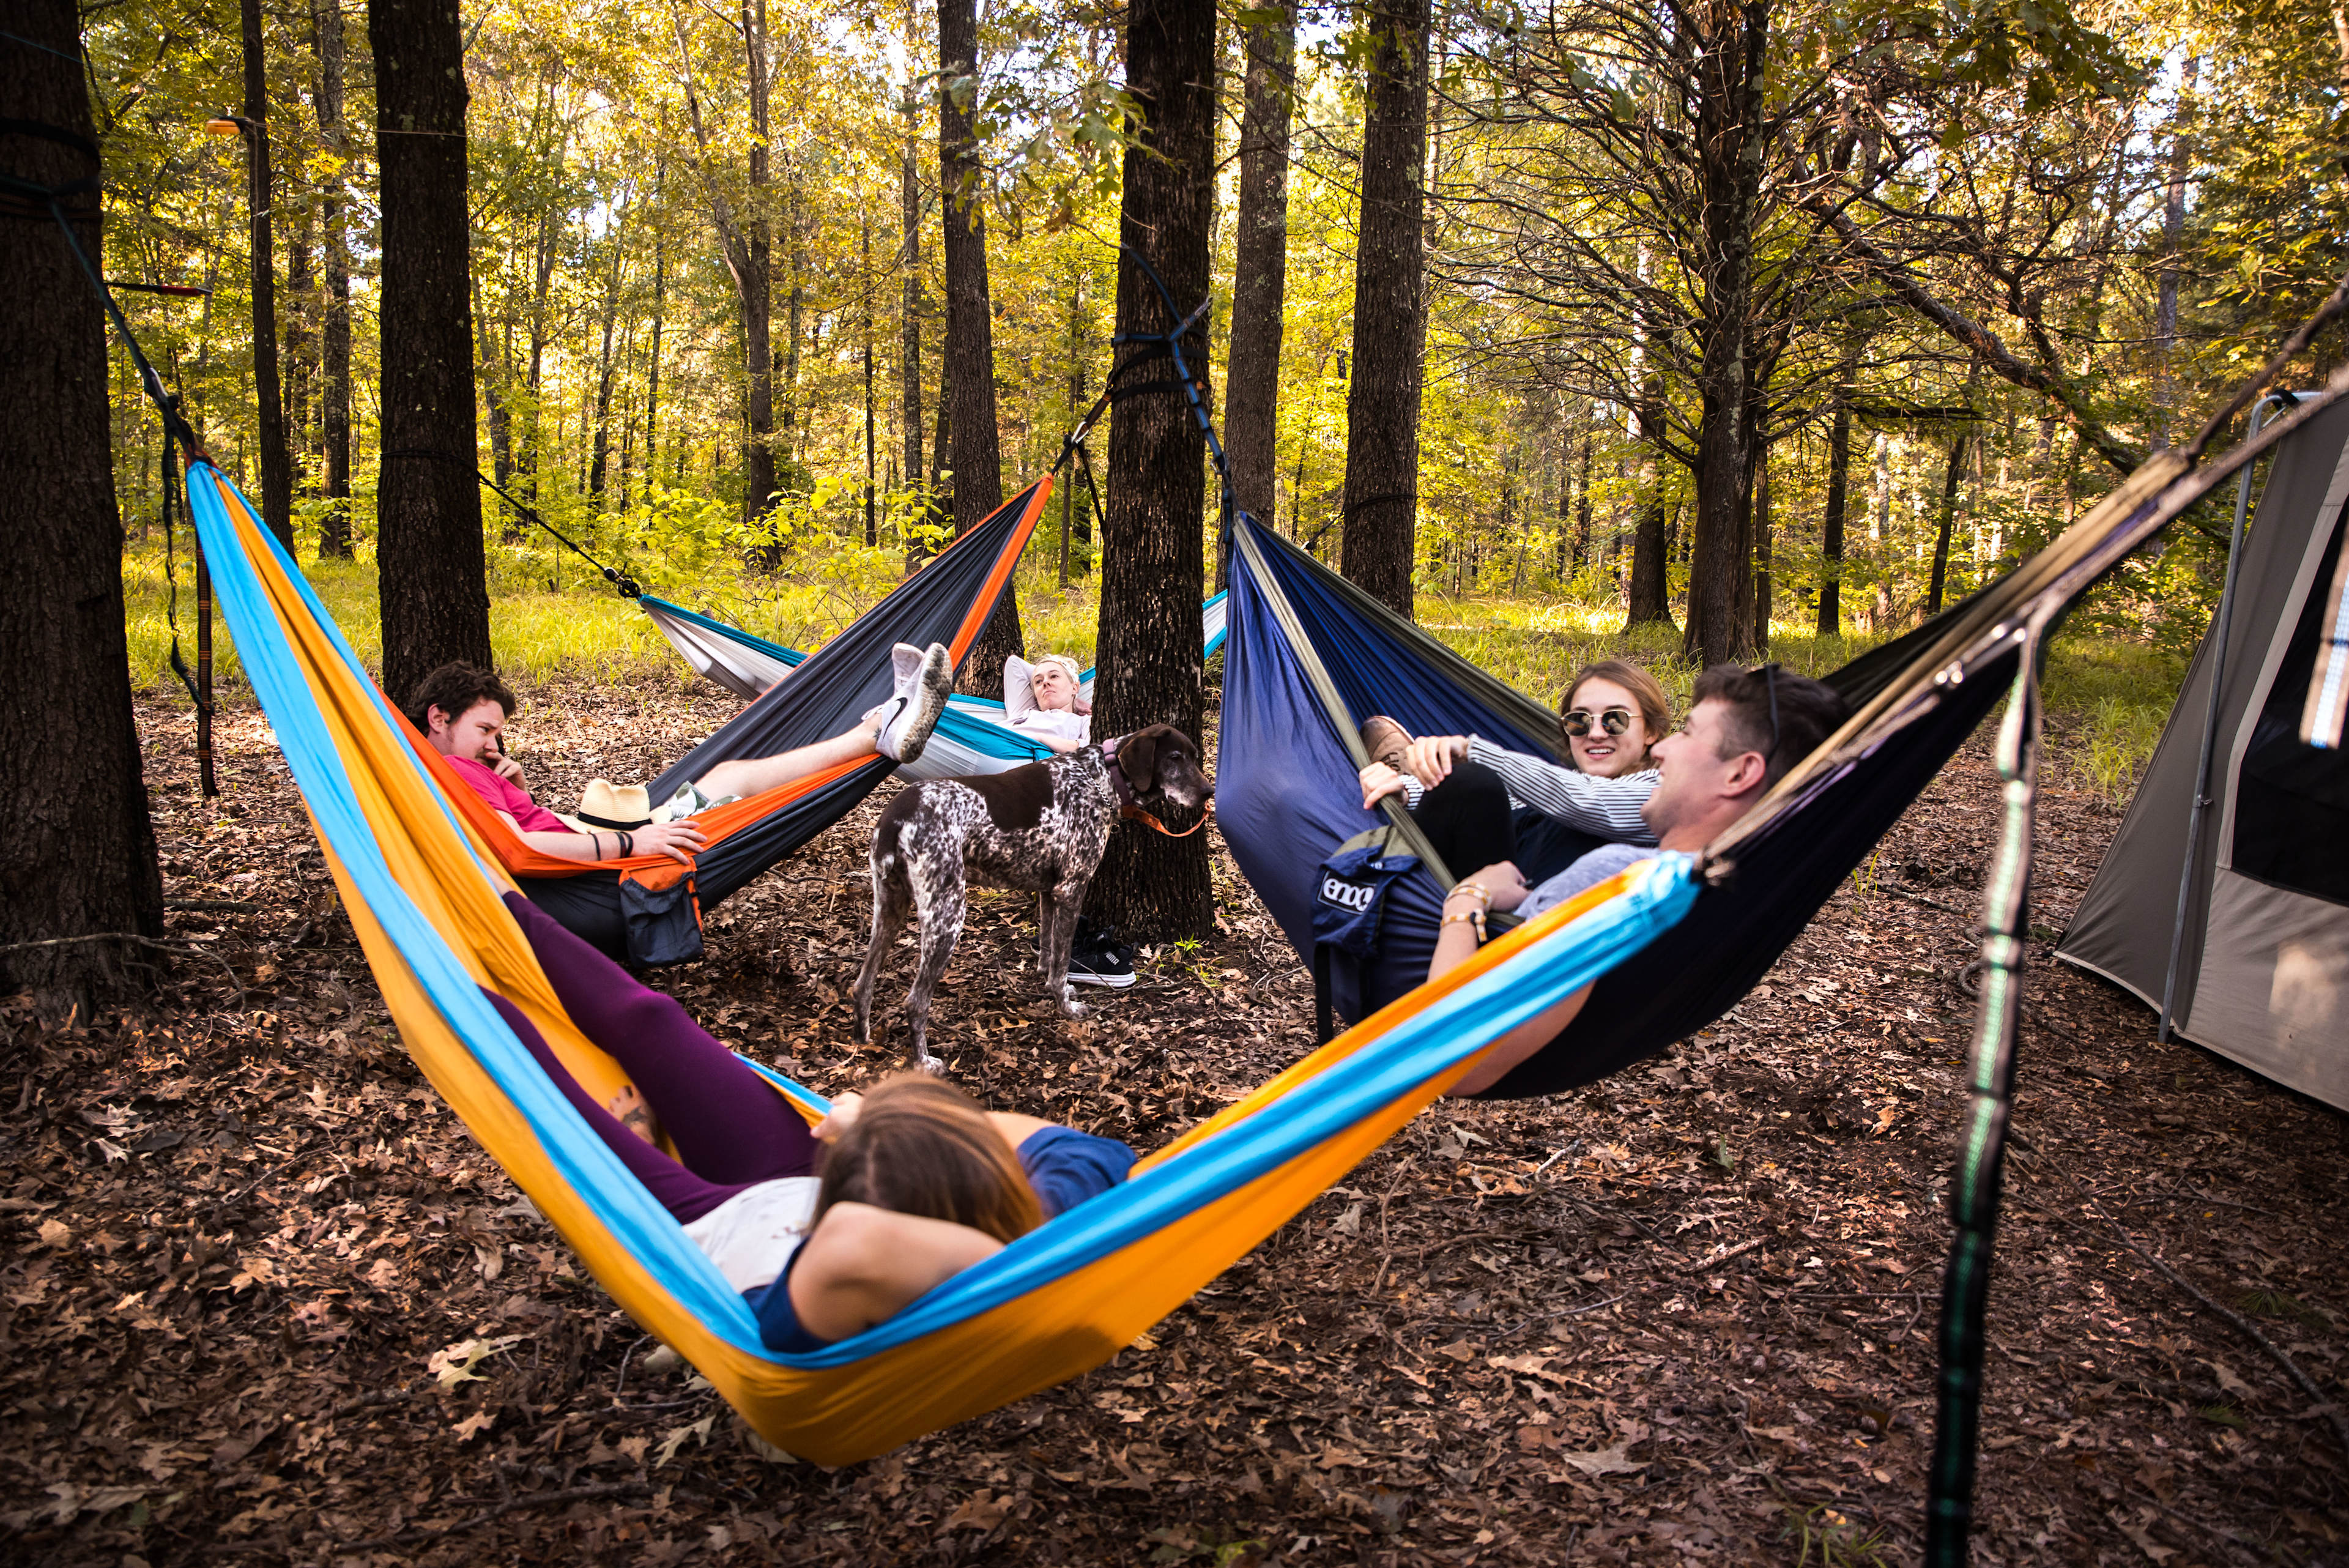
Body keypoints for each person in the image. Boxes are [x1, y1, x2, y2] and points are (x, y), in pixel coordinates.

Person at [483, 893, 1137, 1348]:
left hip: (705, 1229)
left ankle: (444, 960)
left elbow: (857, 1233)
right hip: (798, 1177)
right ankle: (489, 897)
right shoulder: (1057, 1206)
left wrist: (869, 1135)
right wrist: (877, 1127)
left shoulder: (832, 1280)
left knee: (546, 1086)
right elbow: (1089, 1151)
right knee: (651, 1020)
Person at [1431, 663, 1849, 1096]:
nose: (1664, 748)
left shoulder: (1616, 879)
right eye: (1579, 720)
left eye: (1686, 732)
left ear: (1740, 773)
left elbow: (1457, 1064)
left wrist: (1467, 898)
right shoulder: (1732, 882)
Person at [406, 644, 953, 956]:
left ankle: (880, 729)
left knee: (730, 774)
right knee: (734, 781)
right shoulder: (454, 768)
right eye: (484, 729)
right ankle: (877, 732)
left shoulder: (442, 771)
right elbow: (519, 852)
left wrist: (519, 794)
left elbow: (511, 832)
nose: (493, 745)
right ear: (438, 717)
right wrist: (632, 841)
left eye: (498, 734)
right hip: (611, 876)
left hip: (590, 868)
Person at [1354, 659, 1672, 885]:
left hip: (1525, 934)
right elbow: (1508, 800)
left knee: (1475, 781)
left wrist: (1471, 751)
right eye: (1579, 720)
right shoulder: (1562, 785)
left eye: (1616, 719)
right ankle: (1409, 780)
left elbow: (1589, 801)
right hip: (1476, 900)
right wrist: (1405, 788)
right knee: (1484, 792)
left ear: (1652, 733)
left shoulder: (1663, 791)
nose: (1597, 733)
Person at [1003, 652, 1091, 753]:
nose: (1045, 682)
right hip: (994, 743)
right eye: (1038, 681)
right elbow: (1013, 663)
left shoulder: (1084, 721)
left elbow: (1092, 750)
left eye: (1054, 676)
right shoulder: (1023, 711)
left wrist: (1040, 738)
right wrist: (1075, 699)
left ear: (1075, 687)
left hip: (1020, 758)